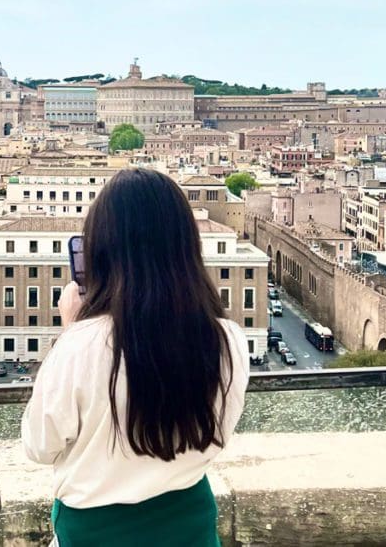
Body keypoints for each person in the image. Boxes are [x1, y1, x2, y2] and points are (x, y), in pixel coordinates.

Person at [22, 168, 250, 547]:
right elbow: (218, 432)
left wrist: (70, 330)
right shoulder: (228, 340)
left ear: (100, 251)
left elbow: (39, 447)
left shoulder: (80, 346)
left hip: (95, 535)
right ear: (186, 247)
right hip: (190, 528)